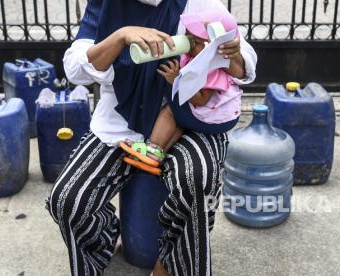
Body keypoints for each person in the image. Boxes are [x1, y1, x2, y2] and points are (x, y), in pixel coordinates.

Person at [46, 0, 257, 275]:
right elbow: (75, 69)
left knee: (197, 175)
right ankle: (104, 245)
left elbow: (245, 60)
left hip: (188, 117)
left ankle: (174, 264)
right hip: (121, 118)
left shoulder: (197, 2)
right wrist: (120, 37)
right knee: (68, 200)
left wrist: (233, 53)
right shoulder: (106, 5)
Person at [119, 9, 244, 175]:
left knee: (171, 110)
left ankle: (152, 148)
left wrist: (176, 81)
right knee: (180, 116)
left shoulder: (212, 67)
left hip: (216, 120)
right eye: (188, 34)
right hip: (213, 115)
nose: (189, 41)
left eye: (197, 41)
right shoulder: (198, 56)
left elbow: (201, 100)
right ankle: (156, 156)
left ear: (216, 46)